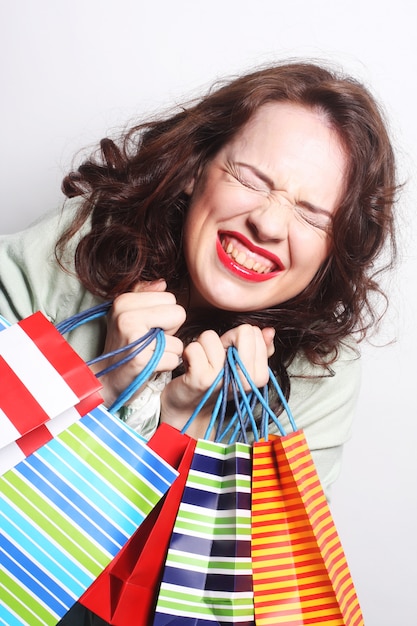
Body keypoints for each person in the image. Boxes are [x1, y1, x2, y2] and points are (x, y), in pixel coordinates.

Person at [0, 61, 397, 500]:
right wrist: (102, 384)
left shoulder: (323, 376)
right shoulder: (81, 243)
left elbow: (236, 568)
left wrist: (185, 435)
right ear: (194, 170)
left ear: (334, 249)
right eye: (249, 179)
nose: (267, 224)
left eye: (311, 215)